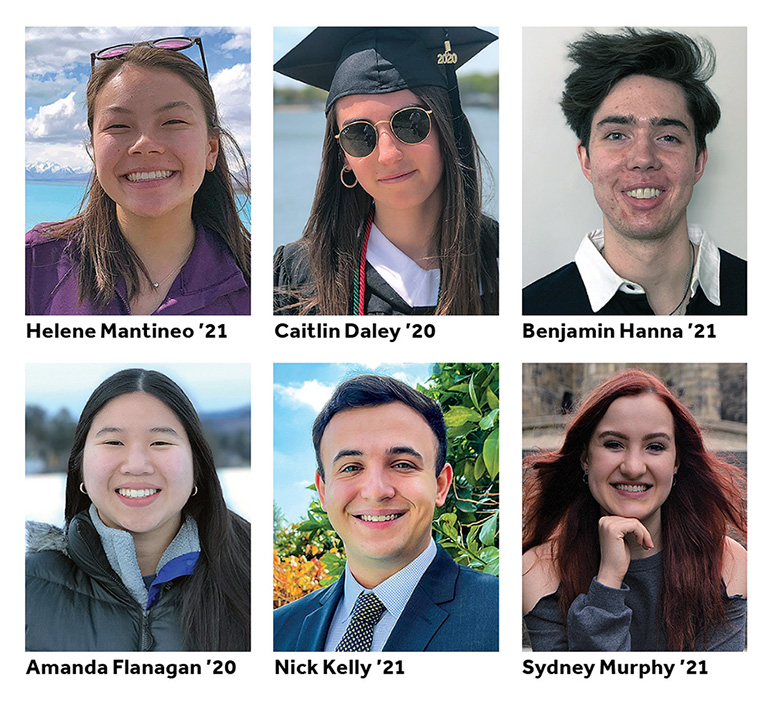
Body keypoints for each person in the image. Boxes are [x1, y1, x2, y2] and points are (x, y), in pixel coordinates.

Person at [273, 27, 499, 315]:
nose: (389, 154)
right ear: (342, 156)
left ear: (447, 128)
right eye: (359, 135)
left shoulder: (503, 260)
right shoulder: (295, 278)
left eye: (410, 123)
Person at [522, 28, 746, 316]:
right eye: (617, 135)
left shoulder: (759, 293)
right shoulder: (529, 311)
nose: (642, 159)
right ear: (586, 160)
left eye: (667, 137)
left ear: (698, 162)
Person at [25, 369, 251, 651]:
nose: (136, 464)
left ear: (197, 468)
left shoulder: (254, 573)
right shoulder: (27, 588)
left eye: (160, 442)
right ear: (80, 466)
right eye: (113, 442)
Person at [522, 370, 747, 651]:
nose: (633, 467)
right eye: (614, 444)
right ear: (584, 457)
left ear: (676, 462)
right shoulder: (539, 571)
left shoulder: (727, 563)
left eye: (655, 447)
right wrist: (607, 582)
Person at [26, 37, 251, 316]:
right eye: (118, 125)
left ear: (211, 148)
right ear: (94, 150)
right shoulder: (34, 264)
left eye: (173, 122)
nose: (144, 143)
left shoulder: (261, 286)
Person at [273, 375, 497, 651]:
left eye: (402, 464)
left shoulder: (499, 614)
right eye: (351, 467)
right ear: (323, 491)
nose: (376, 491)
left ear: (440, 485)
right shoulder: (276, 631)